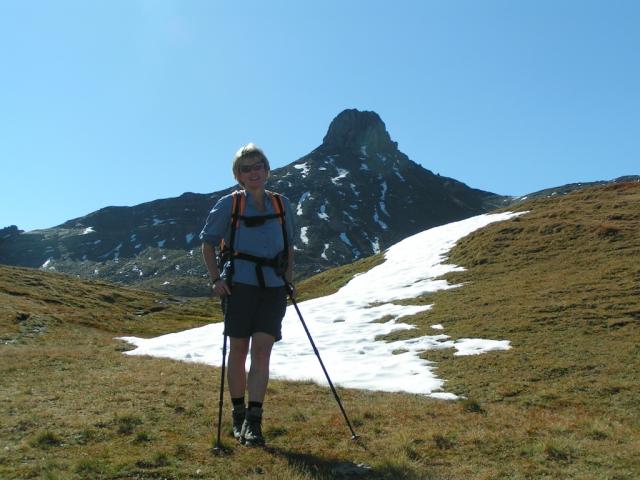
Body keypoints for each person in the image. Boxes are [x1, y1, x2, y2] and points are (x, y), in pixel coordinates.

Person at [200, 143, 295, 447]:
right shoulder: (229, 205)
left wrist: (289, 281)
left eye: (258, 166)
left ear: (267, 170)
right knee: (239, 351)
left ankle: (254, 421)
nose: (254, 172)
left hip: (273, 287)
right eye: (246, 168)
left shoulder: (282, 205)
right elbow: (208, 243)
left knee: (262, 351)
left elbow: (289, 247)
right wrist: (216, 279)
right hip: (239, 285)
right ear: (238, 175)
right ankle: (238, 413)